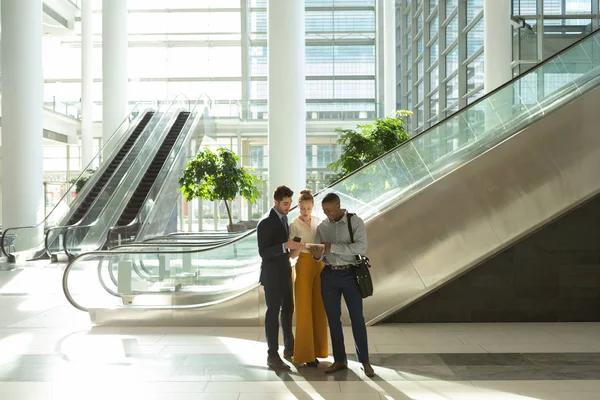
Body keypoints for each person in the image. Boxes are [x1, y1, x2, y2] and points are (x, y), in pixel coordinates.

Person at [310, 192, 375, 378]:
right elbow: (320, 253)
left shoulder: (355, 222)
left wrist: (333, 247)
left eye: (329, 210)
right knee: (333, 319)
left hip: (351, 274)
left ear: (338, 205)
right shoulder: (322, 226)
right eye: (324, 211)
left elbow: (361, 248)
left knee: (357, 318)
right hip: (329, 275)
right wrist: (317, 255)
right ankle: (339, 360)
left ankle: (365, 361)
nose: (327, 214)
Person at [257, 185, 304, 371]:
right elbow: (263, 252)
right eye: (285, 203)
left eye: (290, 203)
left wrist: (292, 248)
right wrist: (285, 246)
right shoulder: (266, 222)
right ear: (275, 202)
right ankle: (272, 355)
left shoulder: (285, 219)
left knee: (288, 310)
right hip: (271, 275)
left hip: (285, 272)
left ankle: (289, 347)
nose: (288, 206)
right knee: (273, 312)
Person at [288, 190, 328, 367]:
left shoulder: (318, 222)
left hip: (319, 264)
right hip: (303, 264)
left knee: (319, 307)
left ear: (313, 207)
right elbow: (292, 254)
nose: (306, 211)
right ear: (298, 207)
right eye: (303, 208)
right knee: (303, 309)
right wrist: (299, 246)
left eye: (309, 208)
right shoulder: (294, 224)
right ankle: (306, 354)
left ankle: (319, 350)